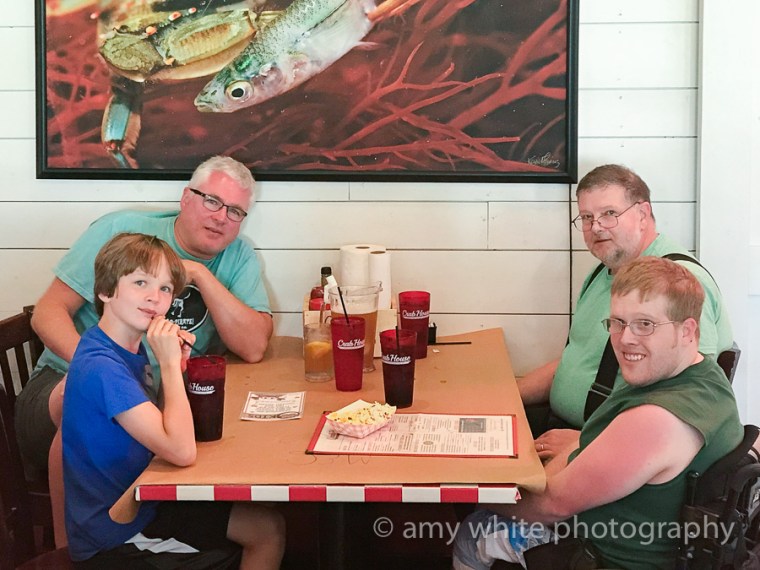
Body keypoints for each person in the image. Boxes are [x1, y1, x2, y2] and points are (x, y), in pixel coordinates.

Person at [452, 256, 743, 570]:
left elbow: (550, 506)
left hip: (601, 557)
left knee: (474, 529)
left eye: (645, 324)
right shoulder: (703, 376)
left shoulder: (654, 420)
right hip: (633, 531)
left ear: (687, 331)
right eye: (617, 322)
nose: (625, 339)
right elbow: (583, 451)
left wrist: (466, 490)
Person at [16, 155, 273, 478]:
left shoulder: (238, 255)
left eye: (234, 211)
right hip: (62, 384)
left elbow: (253, 348)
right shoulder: (121, 232)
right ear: (186, 198)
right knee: (84, 396)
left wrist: (198, 273)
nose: (221, 217)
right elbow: (46, 313)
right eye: (212, 201)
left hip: (162, 402)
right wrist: (103, 372)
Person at [63, 232, 285, 568]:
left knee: (267, 524)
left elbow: (164, 425)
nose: (154, 298)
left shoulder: (123, 346)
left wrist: (176, 367)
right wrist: (166, 363)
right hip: (118, 532)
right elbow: (181, 452)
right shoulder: (102, 367)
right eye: (140, 283)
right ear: (105, 291)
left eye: (166, 288)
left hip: (143, 502)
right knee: (264, 532)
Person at [519, 164, 733, 458]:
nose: (596, 227)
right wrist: (507, 395)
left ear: (643, 214)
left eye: (609, 214)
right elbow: (577, 360)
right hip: (566, 428)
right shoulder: (602, 273)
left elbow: (691, 401)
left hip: (609, 449)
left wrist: (586, 443)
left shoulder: (679, 281)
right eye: (587, 217)